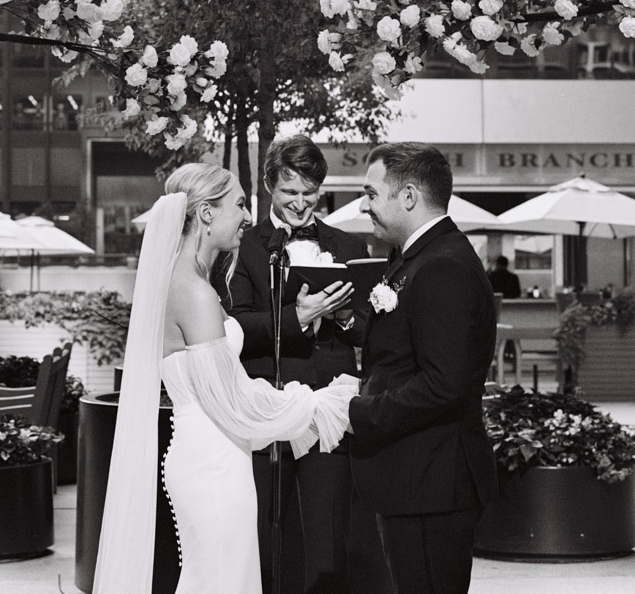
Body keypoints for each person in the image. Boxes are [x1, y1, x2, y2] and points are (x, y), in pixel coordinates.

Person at [92, 163, 359, 594]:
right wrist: (320, 404)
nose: (248, 217)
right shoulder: (194, 292)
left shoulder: (187, 281)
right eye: (238, 204)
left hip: (211, 454)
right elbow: (231, 402)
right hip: (214, 463)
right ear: (206, 213)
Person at [219, 135, 386, 594]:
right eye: (290, 192)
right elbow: (234, 327)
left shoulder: (347, 242)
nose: (300, 203)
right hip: (267, 406)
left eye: (309, 193)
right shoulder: (243, 245)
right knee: (265, 525)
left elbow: (370, 332)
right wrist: (300, 317)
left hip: (329, 410)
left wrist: (347, 315)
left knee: (328, 526)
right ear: (270, 185)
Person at [349, 142, 498, 594]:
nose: (363, 206)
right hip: (415, 479)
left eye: (372, 194)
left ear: (409, 196)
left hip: (433, 483)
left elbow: (445, 384)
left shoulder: (441, 266)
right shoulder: (416, 258)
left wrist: (357, 411)